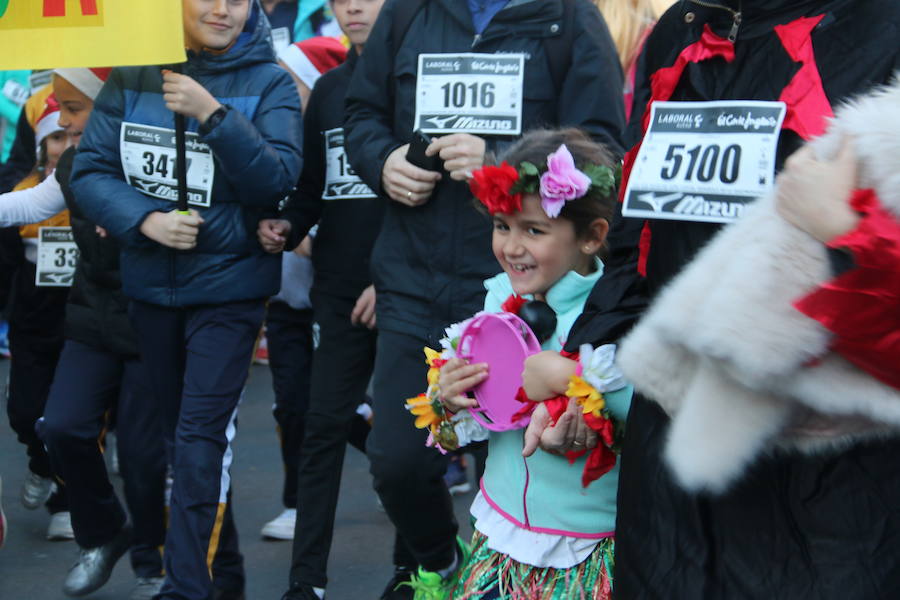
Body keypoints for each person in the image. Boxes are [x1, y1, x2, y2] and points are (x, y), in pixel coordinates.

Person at [552, 0, 900, 597]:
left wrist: (847, 229)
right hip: (680, 454)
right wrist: (587, 366)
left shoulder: (884, 28)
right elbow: (641, 232)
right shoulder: (679, 32)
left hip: (839, 466)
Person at [342, 0, 626, 592]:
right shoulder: (407, 11)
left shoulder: (571, 16)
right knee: (396, 460)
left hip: (524, 290)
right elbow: (362, 110)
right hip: (414, 275)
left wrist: (500, 164)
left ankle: (527, 563)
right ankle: (440, 560)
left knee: (527, 440)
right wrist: (382, 160)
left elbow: (601, 149)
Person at [70, 0, 303, 598]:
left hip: (230, 292)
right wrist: (146, 219)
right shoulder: (132, 76)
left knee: (200, 442)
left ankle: (186, 589)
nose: (223, 9)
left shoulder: (270, 81)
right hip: (149, 290)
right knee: (176, 444)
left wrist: (214, 115)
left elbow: (277, 182)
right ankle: (223, 580)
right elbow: (91, 172)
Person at [420, 129, 631, 599]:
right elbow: (469, 422)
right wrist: (450, 399)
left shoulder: (615, 316)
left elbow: (647, 415)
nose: (512, 247)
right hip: (500, 538)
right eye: (501, 226)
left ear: (592, 236)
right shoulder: (497, 299)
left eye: (533, 230)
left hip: (588, 550)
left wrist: (571, 381)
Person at [258, 0, 417, 596]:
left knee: (408, 442)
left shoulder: (422, 82)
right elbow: (312, 189)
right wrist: (286, 228)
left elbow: (443, 204)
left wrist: (392, 276)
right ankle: (306, 584)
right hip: (336, 291)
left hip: (410, 291)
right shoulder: (328, 90)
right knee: (320, 428)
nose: (352, 6)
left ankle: (414, 569)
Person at [0, 66, 171, 600]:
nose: (63, 119)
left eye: (73, 107)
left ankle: (153, 565)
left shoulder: (158, 153)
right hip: (91, 318)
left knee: (144, 456)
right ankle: (103, 533)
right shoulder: (74, 160)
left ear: (109, 103)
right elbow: (31, 204)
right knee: (61, 427)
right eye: (59, 108)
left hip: (151, 320)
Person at [257, 34, 346, 543]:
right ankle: (296, 501)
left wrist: (311, 237)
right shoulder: (273, 136)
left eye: (291, 83)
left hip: (333, 298)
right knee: (291, 404)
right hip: (287, 301)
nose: (280, 91)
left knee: (333, 407)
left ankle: (407, 458)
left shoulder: (345, 134)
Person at [3, 86, 73, 541]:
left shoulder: (92, 182)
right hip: (33, 310)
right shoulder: (25, 192)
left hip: (84, 310)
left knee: (72, 415)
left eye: (72, 136)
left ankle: (67, 502)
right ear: (41, 145)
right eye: (55, 139)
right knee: (25, 412)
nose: (65, 147)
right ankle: (39, 461)